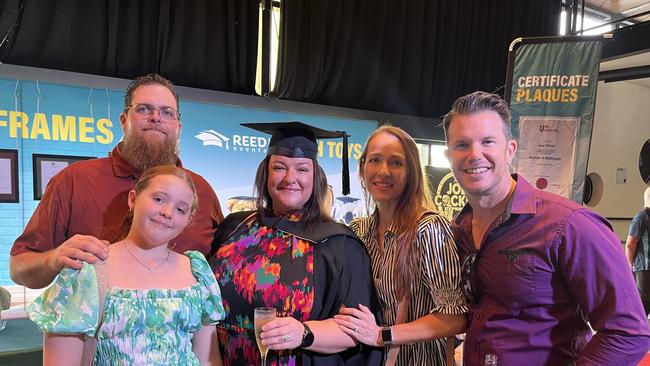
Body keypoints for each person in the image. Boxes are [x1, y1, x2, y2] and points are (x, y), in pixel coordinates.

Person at [443, 91, 650, 365]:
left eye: (487, 142)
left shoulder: (569, 224)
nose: (474, 154)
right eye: (462, 144)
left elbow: (628, 333)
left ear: (510, 150)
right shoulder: (458, 231)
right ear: (449, 155)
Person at [10, 73, 223, 289]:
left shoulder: (202, 191)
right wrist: (54, 259)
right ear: (124, 121)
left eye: (167, 112)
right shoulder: (73, 181)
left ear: (178, 127)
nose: (156, 118)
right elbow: (19, 268)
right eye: (143, 109)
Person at [209, 121, 383, 366]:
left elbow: (356, 331)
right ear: (265, 173)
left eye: (302, 169)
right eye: (279, 167)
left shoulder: (338, 244)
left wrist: (303, 332)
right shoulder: (235, 227)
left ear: (316, 177)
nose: (290, 178)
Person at [27, 165, 225, 365]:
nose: (167, 212)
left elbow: (209, 359)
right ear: (133, 199)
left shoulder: (196, 271)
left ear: (188, 220)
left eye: (180, 209)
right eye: (159, 199)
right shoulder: (88, 269)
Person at [333, 125, 467, 366]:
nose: (383, 171)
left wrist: (381, 335)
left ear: (411, 172)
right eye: (374, 160)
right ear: (363, 167)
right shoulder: (358, 232)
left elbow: (455, 317)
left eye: (396, 163)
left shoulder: (428, 229)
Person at [626, 187, 650, 316]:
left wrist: (629, 265)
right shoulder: (642, 217)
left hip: (643, 268)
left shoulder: (641, 217)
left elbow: (630, 244)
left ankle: (638, 334)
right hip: (645, 267)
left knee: (642, 305)